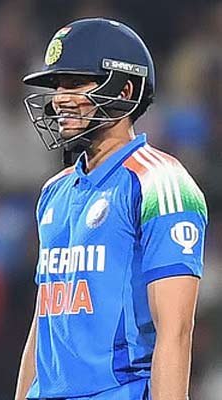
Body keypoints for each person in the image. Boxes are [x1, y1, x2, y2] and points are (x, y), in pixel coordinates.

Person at [14, 18, 207, 400]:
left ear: (125, 89)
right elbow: (44, 325)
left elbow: (176, 331)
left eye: (75, 83)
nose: (59, 99)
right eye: (57, 86)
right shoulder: (54, 192)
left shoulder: (160, 182)